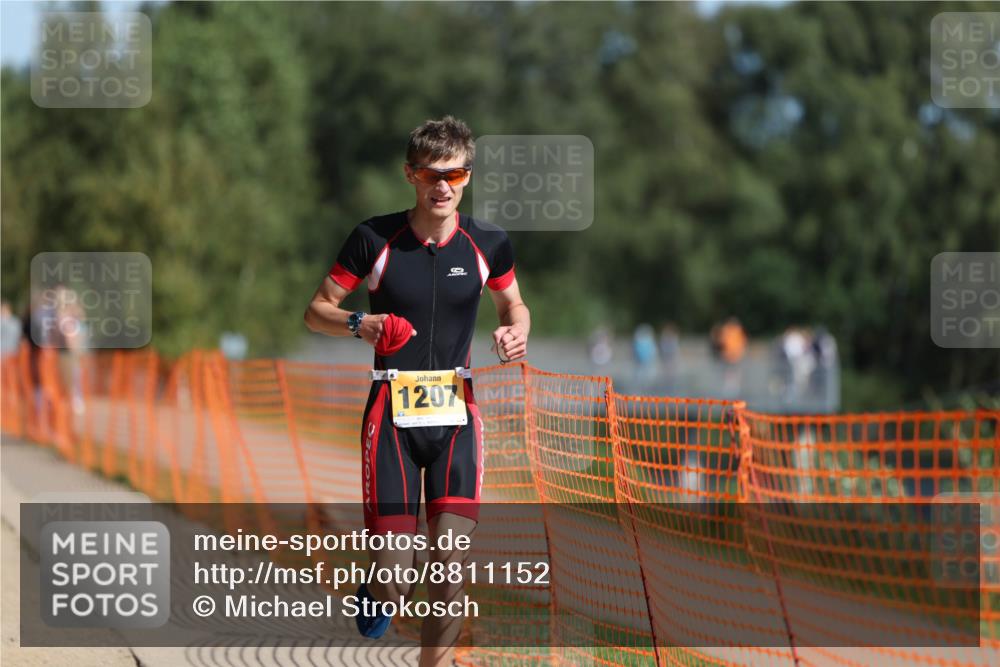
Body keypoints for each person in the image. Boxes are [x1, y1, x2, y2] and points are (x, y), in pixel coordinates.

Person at [304, 116, 530, 667]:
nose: (444, 185)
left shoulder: (488, 243)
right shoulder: (374, 239)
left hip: (456, 415)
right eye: (433, 173)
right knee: (396, 580)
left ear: (467, 176)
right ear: (411, 174)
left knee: (449, 571)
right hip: (391, 417)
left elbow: (512, 305)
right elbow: (316, 312)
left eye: (456, 173)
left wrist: (516, 329)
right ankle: (379, 587)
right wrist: (361, 324)